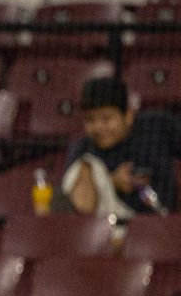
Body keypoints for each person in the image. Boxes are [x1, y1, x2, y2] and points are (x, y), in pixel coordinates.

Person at [60, 76, 176, 219]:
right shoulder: (82, 149)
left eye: (106, 118)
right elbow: (76, 207)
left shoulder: (156, 126)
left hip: (164, 226)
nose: (98, 127)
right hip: (104, 233)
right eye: (90, 119)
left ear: (128, 116)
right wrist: (111, 182)